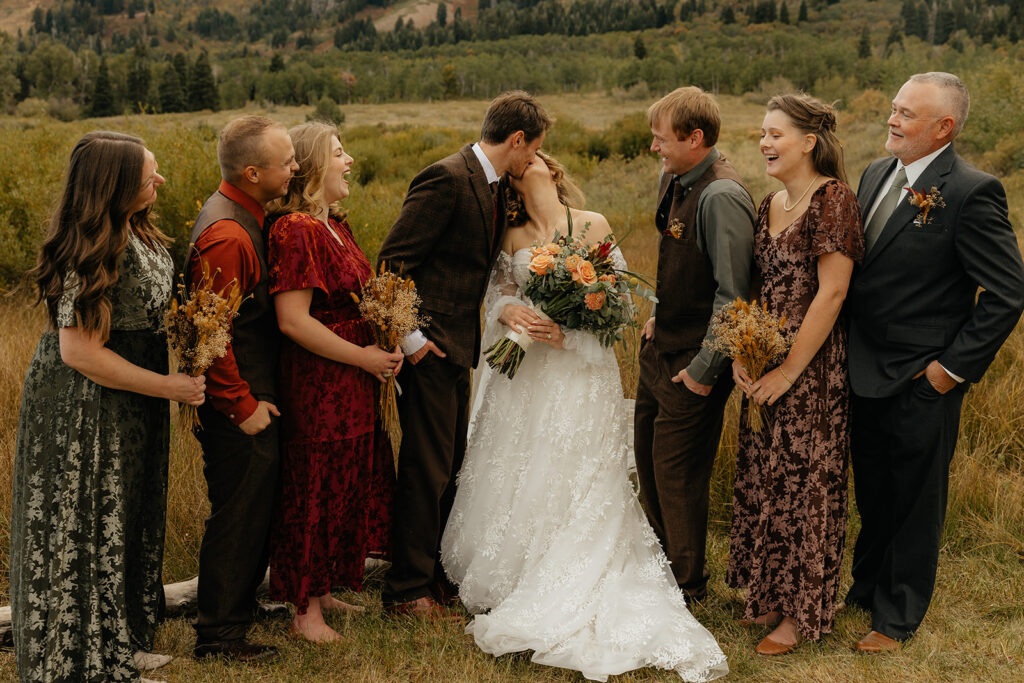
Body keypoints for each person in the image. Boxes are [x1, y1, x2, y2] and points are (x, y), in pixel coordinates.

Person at [441, 151, 728, 682]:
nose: (533, 161)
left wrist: (568, 330)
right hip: (527, 375)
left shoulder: (592, 224)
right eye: (523, 159)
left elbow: (619, 303)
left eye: (540, 158)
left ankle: (590, 568)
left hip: (579, 369)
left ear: (554, 171)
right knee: (526, 461)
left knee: (579, 465)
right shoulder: (510, 234)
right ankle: (524, 566)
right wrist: (510, 313)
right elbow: (494, 296)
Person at [10, 132, 205, 681]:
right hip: (84, 405)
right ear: (114, 186)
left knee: (131, 513)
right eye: (149, 176)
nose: (160, 182)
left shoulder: (137, 228)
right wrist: (170, 387)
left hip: (133, 399)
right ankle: (89, 658)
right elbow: (79, 353)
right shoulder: (86, 247)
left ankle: (123, 636)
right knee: (91, 520)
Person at [845, 72, 1024, 652]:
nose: (892, 120)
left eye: (906, 114)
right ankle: (865, 587)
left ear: (944, 128)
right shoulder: (876, 174)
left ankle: (896, 617)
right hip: (861, 367)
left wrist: (948, 372)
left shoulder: (973, 191)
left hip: (923, 377)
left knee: (916, 498)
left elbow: (1006, 292)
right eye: (893, 108)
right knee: (873, 489)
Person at [377, 90, 552, 617]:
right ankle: (406, 589)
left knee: (451, 466)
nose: (533, 162)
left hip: (459, 351)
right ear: (516, 139)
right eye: (532, 150)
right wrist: (412, 342)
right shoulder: (446, 178)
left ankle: (436, 577)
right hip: (428, 349)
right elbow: (392, 263)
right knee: (425, 470)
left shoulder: (495, 187)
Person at [728, 94, 863, 655]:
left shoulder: (833, 200)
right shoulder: (768, 204)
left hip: (812, 371)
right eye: (762, 133)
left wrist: (787, 370)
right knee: (765, 477)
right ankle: (767, 594)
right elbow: (759, 288)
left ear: (809, 141)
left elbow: (831, 293)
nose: (765, 142)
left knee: (807, 484)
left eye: (776, 133)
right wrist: (744, 350)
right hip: (767, 363)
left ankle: (801, 613)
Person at [265, 122, 402, 642]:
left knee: (346, 479)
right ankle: (304, 610)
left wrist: (387, 343)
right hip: (319, 381)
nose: (349, 162)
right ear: (313, 164)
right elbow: (294, 320)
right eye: (340, 153)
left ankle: (323, 590)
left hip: (354, 377)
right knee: (314, 486)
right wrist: (363, 358)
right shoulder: (294, 229)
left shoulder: (334, 225)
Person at [633, 86, 756, 603]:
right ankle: (661, 572)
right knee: (648, 461)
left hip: (692, 363)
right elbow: (680, 258)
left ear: (696, 138)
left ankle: (686, 587)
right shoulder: (676, 178)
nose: (656, 148)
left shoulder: (722, 195)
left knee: (678, 476)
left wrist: (705, 370)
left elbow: (735, 296)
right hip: (661, 349)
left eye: (662, 139)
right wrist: (659, 314)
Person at [188, 116, 298, 661]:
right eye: (287, 161)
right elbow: (210, 334)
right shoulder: (228, 235)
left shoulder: (246, 215)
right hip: (239, 406)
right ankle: (219, 636)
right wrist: (241, 406)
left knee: (254, 508)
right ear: (253, 173)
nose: (296, 167)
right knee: (237, 514)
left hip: (250, 398)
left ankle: (238, 613)